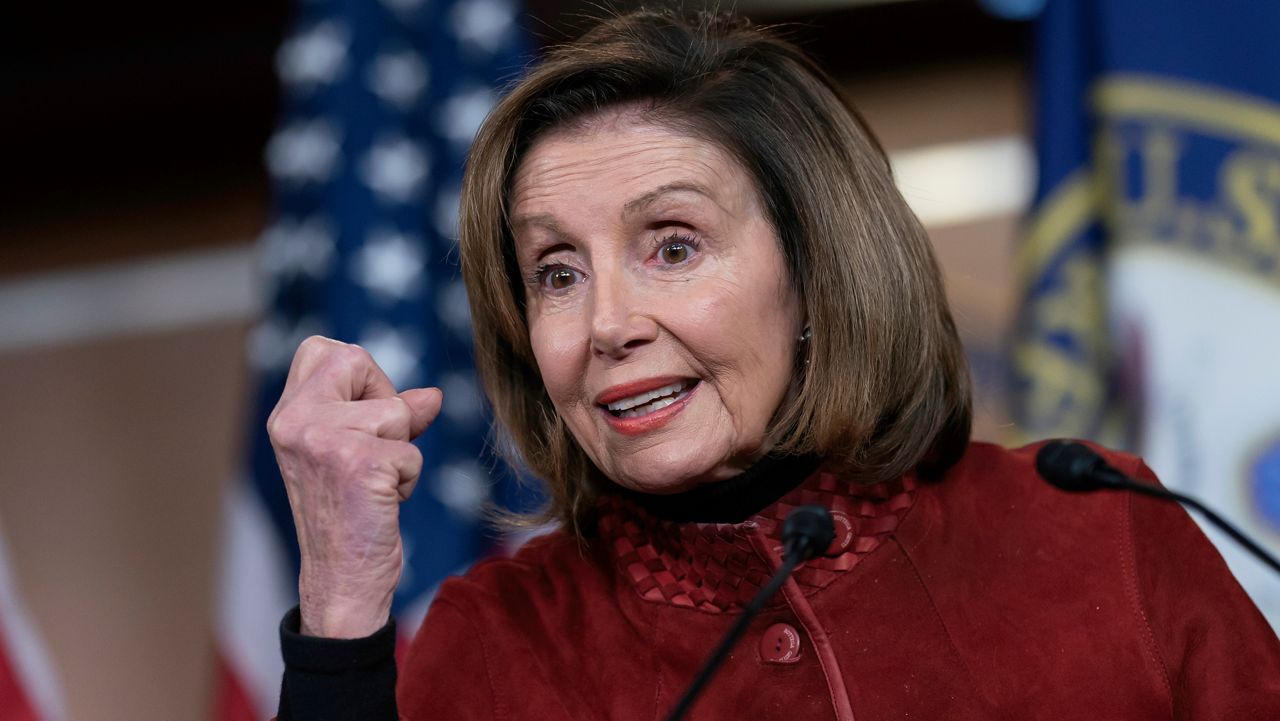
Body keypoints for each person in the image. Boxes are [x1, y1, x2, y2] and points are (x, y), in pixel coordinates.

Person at [266, 9, 1280, 720]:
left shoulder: (1091, 527)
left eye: (671, 245)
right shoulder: (496, 640)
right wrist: (343, 608)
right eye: (555, 271)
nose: (606, 322)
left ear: (814, 271)